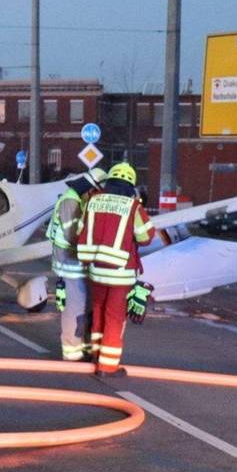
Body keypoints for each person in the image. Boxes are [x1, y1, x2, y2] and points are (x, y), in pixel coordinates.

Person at [75, 162, 155, 377]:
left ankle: (95, 354)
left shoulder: (93, 201)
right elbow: (146, 237)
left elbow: (81, 230)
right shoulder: (133, 207)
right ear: (131, 185)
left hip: (96, 270)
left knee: (98, 310)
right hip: (120, 272)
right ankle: (108, 366)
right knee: (114, 317)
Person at [46, 167, 106, 362]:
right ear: (92, 188)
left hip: (74, 261)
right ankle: (72, 352)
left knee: (84, 306)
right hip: (69, 262)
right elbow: (73, 236)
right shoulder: (71, 201)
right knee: (75, 308)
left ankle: (83, 347)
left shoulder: (75, 198)